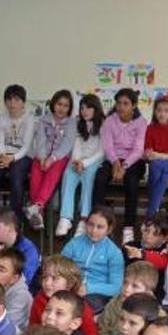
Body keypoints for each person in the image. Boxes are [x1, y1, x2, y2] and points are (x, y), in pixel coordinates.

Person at [93, 88, 148, 244]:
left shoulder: (141, 122)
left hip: (134, 161)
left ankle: (128, 227)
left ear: (134, 106)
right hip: (112, 159)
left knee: (131, 182)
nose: (121, 107)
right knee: (100, 178)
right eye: (119, 103)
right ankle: (99, 223)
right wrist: (115, 163)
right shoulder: (110, 121)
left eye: (126, 103)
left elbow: (138, 150)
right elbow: (108, 146)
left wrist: (124, 166)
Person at [25, 89, 77, 231]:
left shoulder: (71, 123)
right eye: (59, 104)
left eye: (66, 105)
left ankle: (37, 205)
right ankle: (38, 213)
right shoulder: (43, 120)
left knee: (53, 172)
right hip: (42, 156)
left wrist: (52, 158)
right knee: (35, 171)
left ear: (70, 108)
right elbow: (40, 140)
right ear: (53, 104)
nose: (62, 108)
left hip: (59, 158)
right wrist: (42, 158)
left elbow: (67, 145)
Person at [56, 93, 105, 237]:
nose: (85, 111)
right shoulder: (78, 123)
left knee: (88, 175)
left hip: (95, 160)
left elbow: (102, 151)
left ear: (96, 109)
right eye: (82, 108)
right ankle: (65, 217)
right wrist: (77, 161)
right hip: (79, 160)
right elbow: (76, 145)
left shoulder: (103, 124)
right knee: (68, 173)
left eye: (88, 108)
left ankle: (84, 219)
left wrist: (85, 163)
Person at [0, 84, 34, 223]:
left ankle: (16, 217)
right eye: (9, 100)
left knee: (16, 176)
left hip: (23, 156)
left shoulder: (29, 118)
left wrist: (12, 158)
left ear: (23, 103)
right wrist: (2, 156)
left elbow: (26, 146)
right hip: (4, 155)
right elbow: (0, 143)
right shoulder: (1, 118)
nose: (12, 103)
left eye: (16, 100)